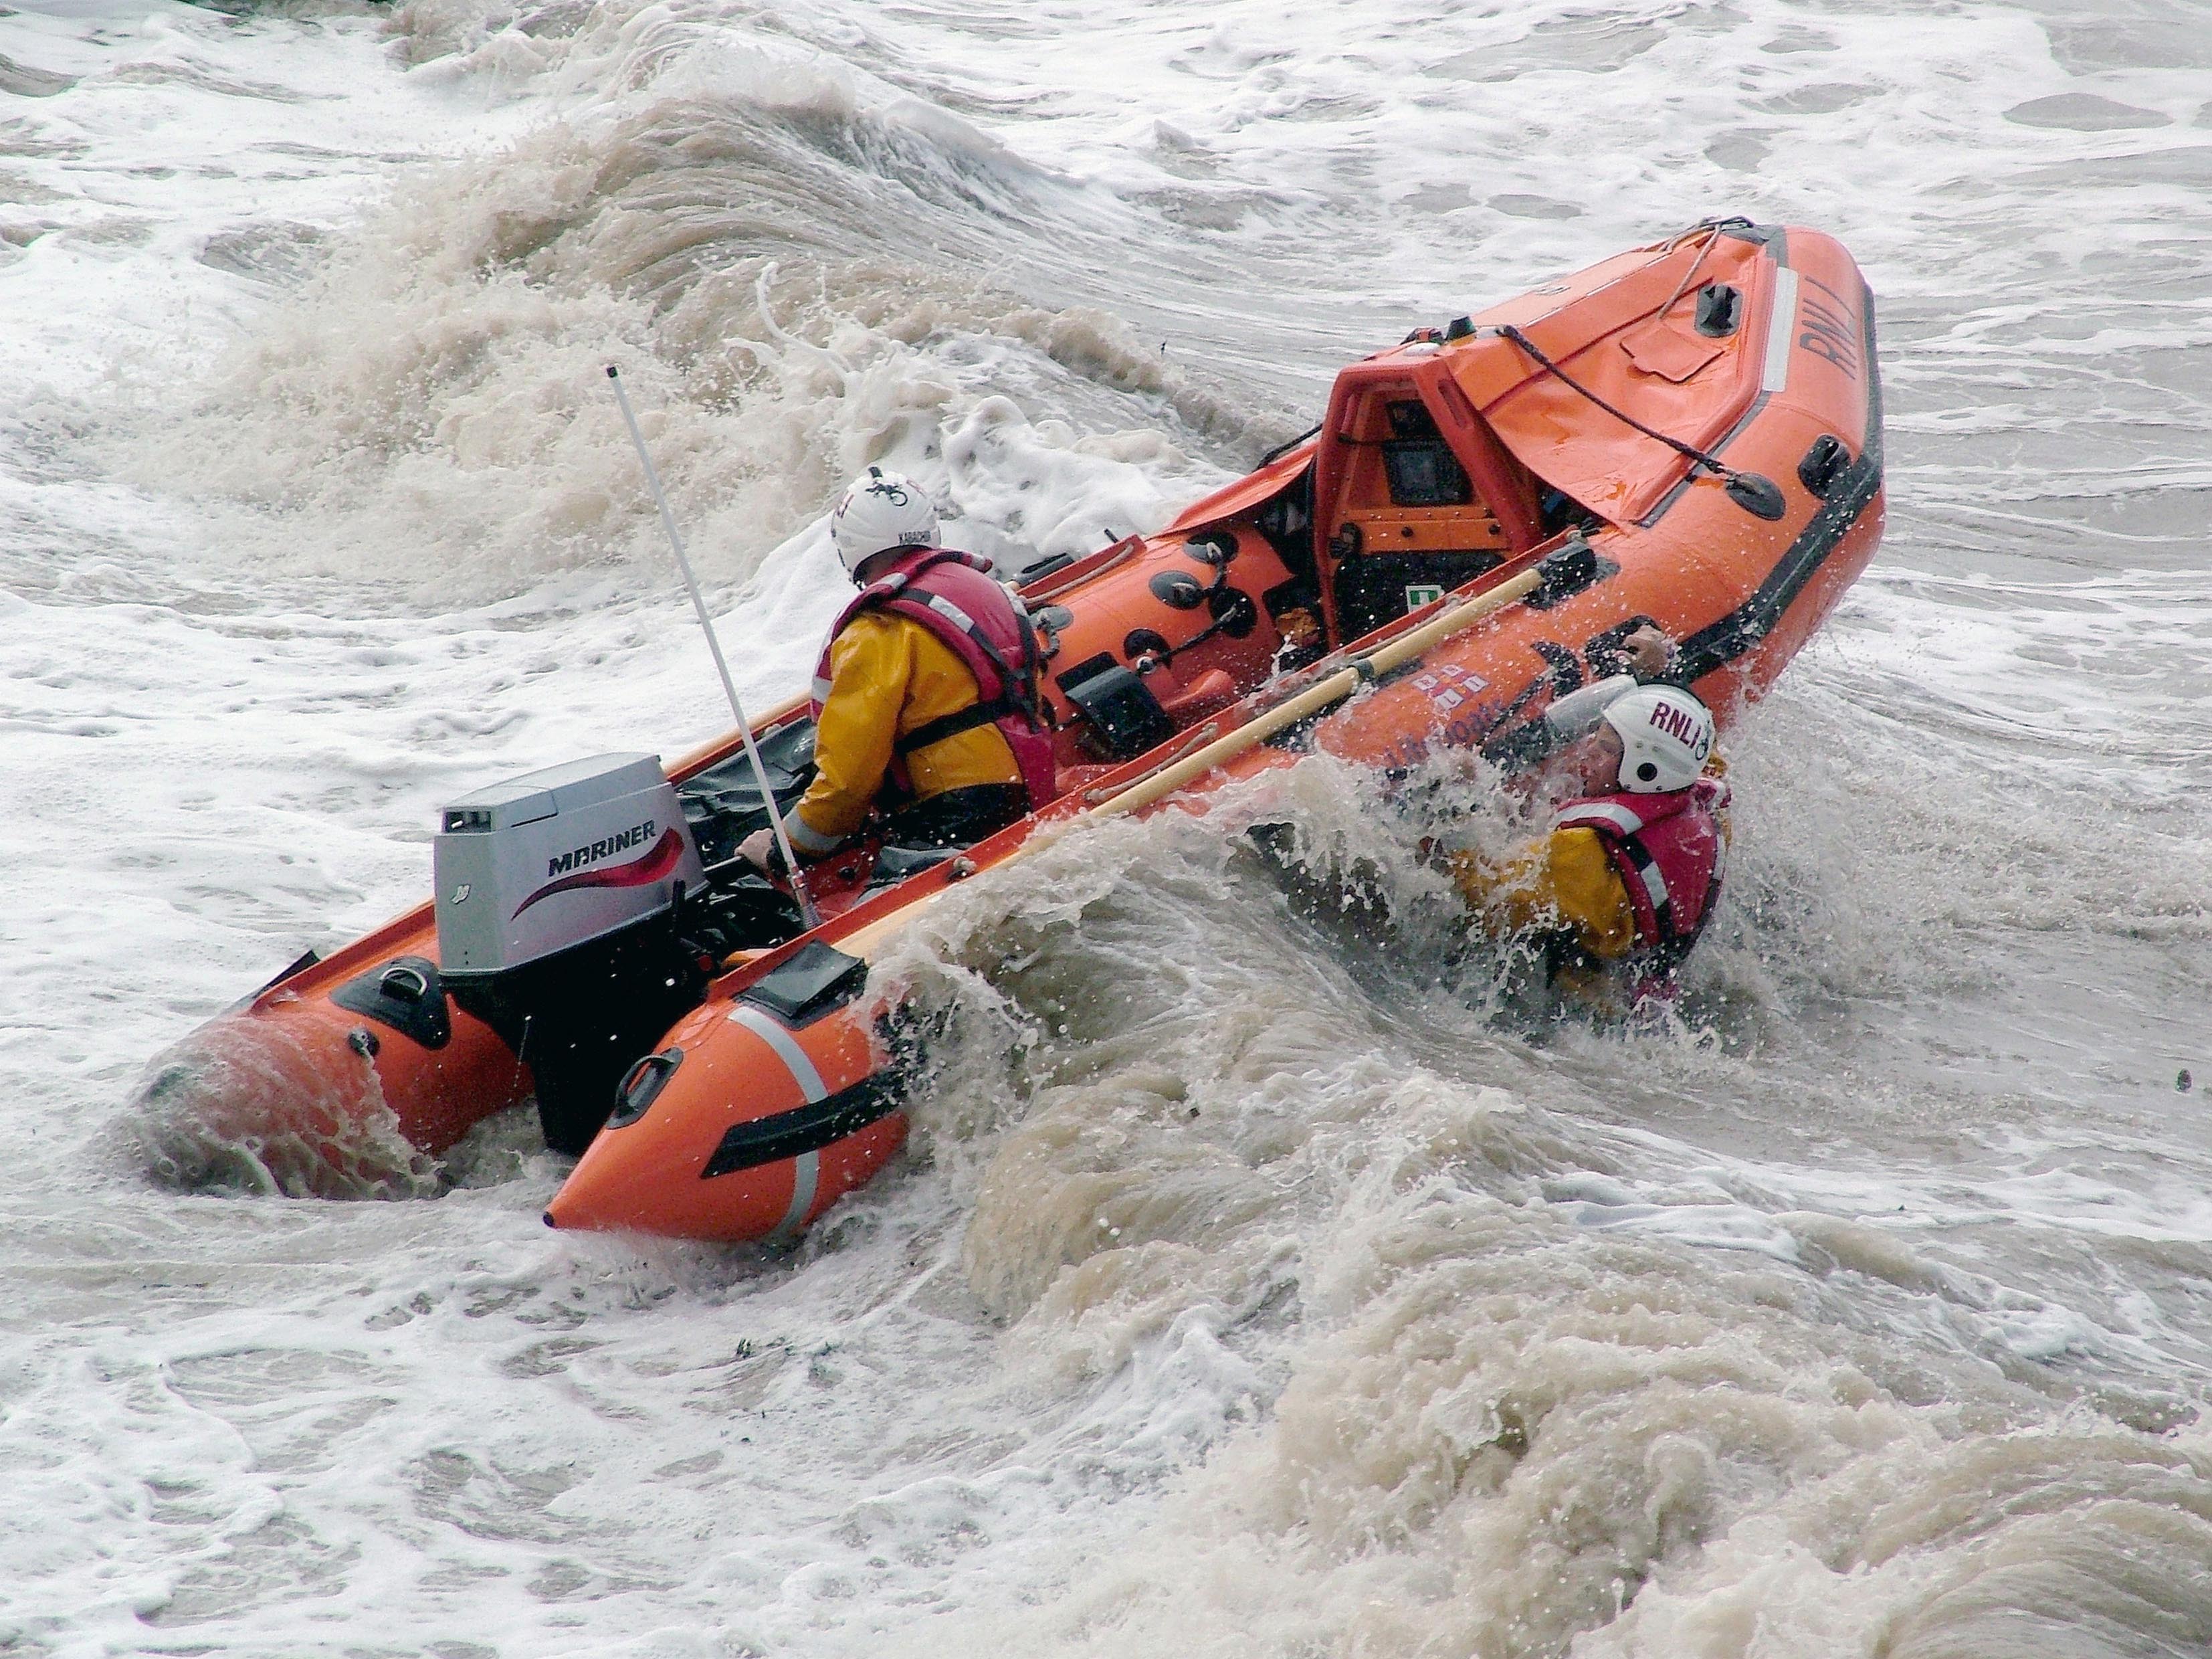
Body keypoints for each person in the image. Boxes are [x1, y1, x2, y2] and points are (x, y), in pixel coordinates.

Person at [738, 468, 1056, 876]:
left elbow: (848, 780)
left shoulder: (876, 630)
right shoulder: (987, 589)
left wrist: (785, 849)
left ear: (849, 547)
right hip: (1030, 787)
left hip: (955, 812)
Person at [1437, 675, 1728, 1009]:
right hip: (1647, 962)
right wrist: (1660, 675)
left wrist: (1449, 809)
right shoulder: (1703, 800)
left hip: (1589, 1001)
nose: (1587, 750)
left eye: (1605, 748)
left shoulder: (1581, 854)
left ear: (1645, 770)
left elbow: (1480, 893)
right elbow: (1704, 747)